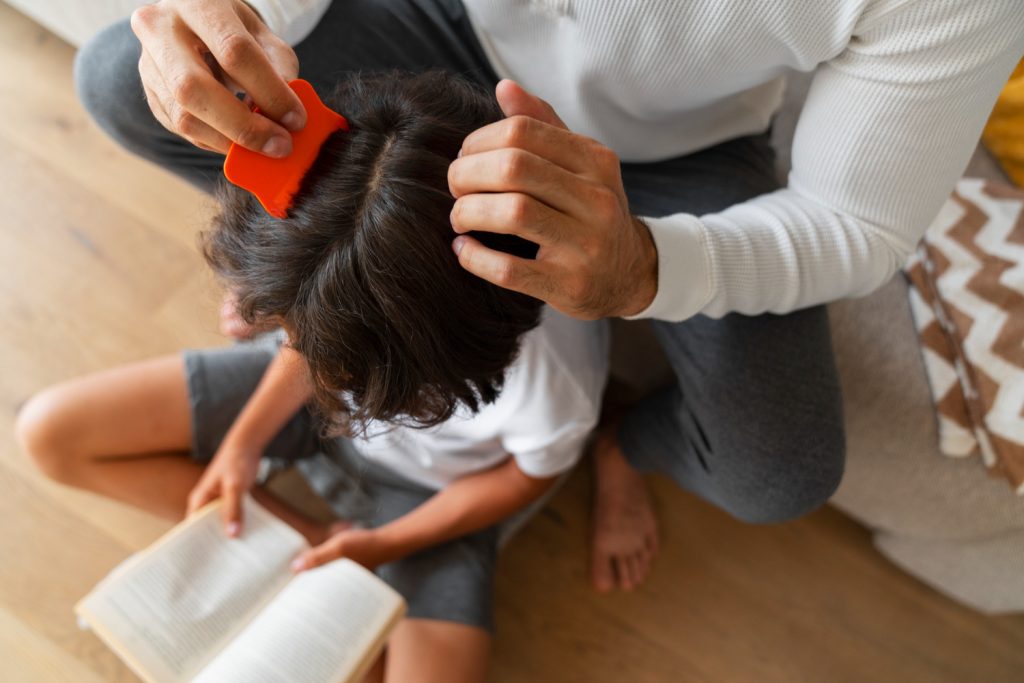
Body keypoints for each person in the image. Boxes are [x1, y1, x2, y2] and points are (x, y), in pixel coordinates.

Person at [73, 0, 1024, 593]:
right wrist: (229, 20)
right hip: (442, 24)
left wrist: (649, 267)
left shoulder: (550, 401)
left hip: (681, 147)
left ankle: (626, 442)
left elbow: (855, 225)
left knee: (778, 472)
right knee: (119, 76)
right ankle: (330, 264)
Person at [16, 70, 609, 683]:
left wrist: (385, 547)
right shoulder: (347, 275)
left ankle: (331, 564)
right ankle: (307, 544)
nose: (329, 372)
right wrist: (244, 444)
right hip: (297, 406)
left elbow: (525, 476)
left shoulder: (557, 376)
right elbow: (311, 351)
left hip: (434, 495)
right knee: (48, 432)